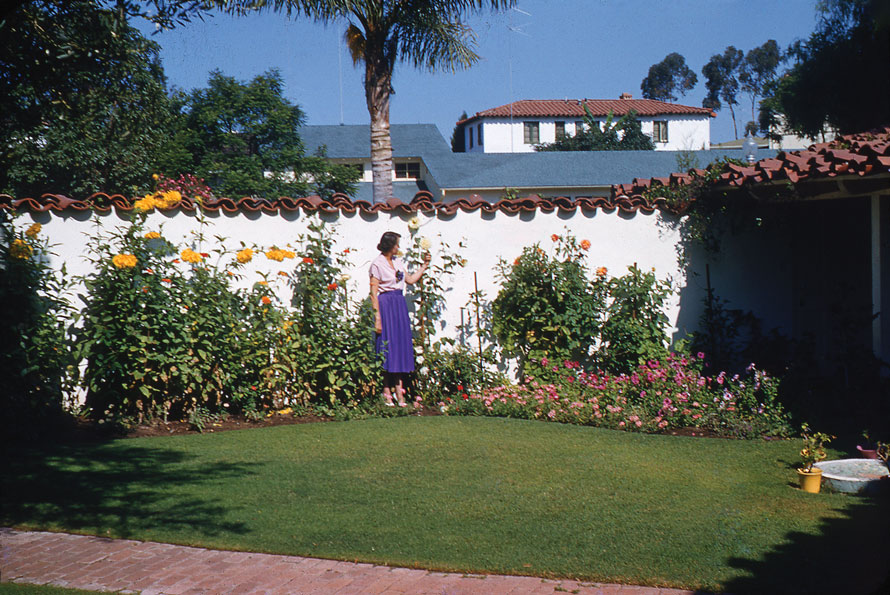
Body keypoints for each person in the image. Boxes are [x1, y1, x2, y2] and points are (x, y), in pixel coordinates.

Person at [369, 231, 431, 407]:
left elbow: (409, 280)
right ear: (390, 245)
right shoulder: (377, 264)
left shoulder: (397, 261)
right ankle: (387, 390)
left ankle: (399, 389)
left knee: (399, 346)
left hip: (399, 304)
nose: (398, 247)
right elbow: (373, 293)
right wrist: (377, 317)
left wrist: (424, 266)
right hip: (386, 304)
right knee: (386, 345)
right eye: (396, 244)